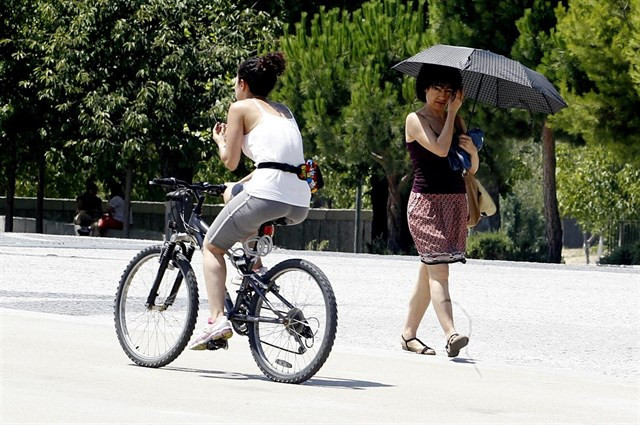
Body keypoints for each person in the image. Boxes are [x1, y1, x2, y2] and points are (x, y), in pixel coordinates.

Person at [189, 52, 311, 350]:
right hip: (299, 201)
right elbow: (273, 166)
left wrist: (220, 142)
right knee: (234, 193)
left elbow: (230, 162)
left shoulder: (240, 107)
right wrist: (235, 186)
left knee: (212, 247)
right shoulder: (284, 111)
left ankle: (217, 320)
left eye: (235, 81)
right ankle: (254, 270)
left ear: (242, 83)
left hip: (268, 195)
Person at [401, 64, 478, 357]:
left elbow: (468, 168)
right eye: (437, 87)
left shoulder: (454, 122)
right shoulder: (414, 119)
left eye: (448, 90)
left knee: (429, 270)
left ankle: (408, 335)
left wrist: (473, 152)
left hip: (453, 201)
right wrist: (453, 116)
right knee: (440, 272)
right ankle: (451, 333)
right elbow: (441, 149)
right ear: (424, 87)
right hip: (426, 206)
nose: (442, 95)